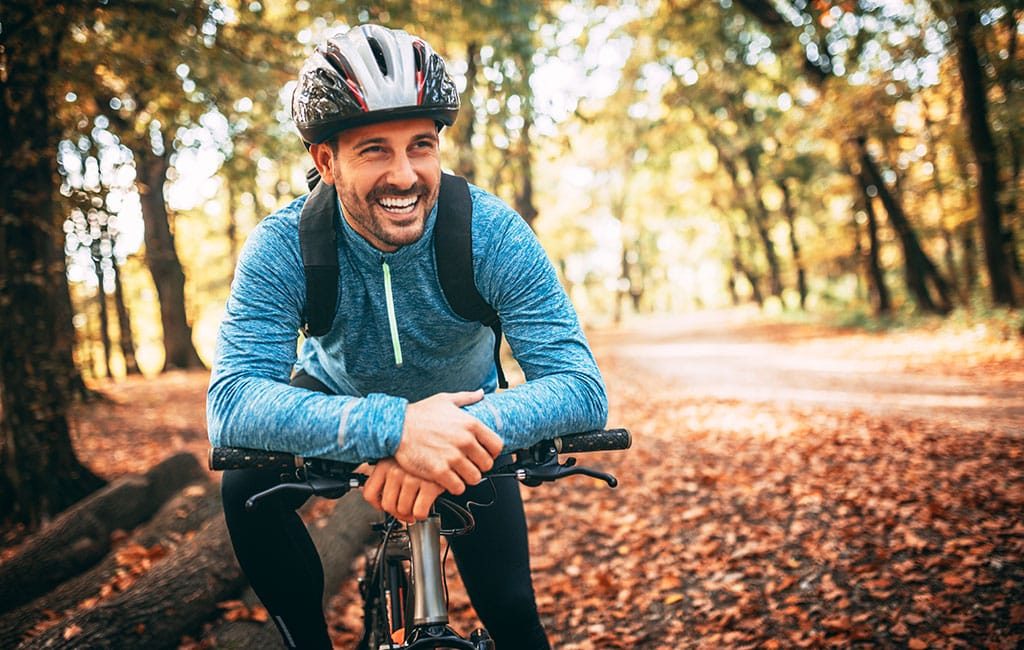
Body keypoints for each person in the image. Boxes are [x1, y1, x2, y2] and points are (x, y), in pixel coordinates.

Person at [207, 23, 607, 649]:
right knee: (243, 486)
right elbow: (231, 401)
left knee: (513, 616)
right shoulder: (283, 244)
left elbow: (581, 387)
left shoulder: (492, 233)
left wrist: (441, 438)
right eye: (374, 150)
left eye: (421, 145)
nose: (405, 175)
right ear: (326, 160)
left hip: (469, 413)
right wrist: (397, 430)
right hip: (339, 394)